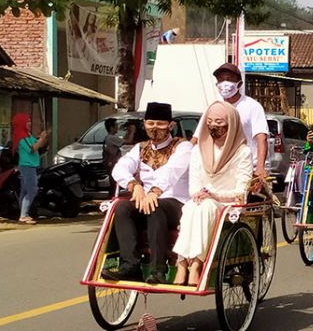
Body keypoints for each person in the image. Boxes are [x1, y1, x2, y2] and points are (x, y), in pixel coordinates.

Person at [105, 102, 192, 284]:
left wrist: (154, 191)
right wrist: (134, 184)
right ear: (144, 124)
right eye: (151, 123)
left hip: (177, 202)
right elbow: (120, 168)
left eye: (160, 124)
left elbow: (173, 171)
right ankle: (130, 265)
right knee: (122, 207)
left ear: (170, 126)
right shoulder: (140, 148)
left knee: (155, 205)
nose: (155, 128)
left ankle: (158, 269)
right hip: (147, 201)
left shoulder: (183, 146)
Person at [173, 102, 253, 286]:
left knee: (205, 206)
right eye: (209, 121)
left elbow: (241, 191)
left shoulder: (243, 152)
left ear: (231, 124)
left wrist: (214, 195)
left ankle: (196, 264)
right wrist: (202, 194)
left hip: (228, 204)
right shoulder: (198, 151)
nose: (213, 126)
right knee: (191, 207)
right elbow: (193, 187)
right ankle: (182, 263)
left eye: (219, 121)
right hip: (201, 201)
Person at [193, 63, 268, 181]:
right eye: (220, 80)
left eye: (229, 79)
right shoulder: (213, 108)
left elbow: (261, 137)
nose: (224, 83)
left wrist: (260, 167)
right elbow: (197, 139)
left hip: (247, 168)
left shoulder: (252, 106)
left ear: (239, 83)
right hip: (220, 169)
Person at [14, 113, 50, 225]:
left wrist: (44, 136)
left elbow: (39, 144)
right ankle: (23, 215)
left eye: (30, 121)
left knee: (24, 191)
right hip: (27, 166)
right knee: (32, 190)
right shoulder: (20, 137)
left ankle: (23, 214)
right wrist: (41, 139)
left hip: (31, 165)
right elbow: (33, 149)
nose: (29, 123)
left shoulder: (28, 135)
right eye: (27, 121)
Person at [102, 118, 122, 196]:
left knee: (113, 183)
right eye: (116, 125)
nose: (118, 127)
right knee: (114, 183)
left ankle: (112, 197)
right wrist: (132, 131)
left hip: (110, 163)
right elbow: (128, 140)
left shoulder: (108, 137)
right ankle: (112, 199)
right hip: (112, 163)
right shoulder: (112, 138)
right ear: (111, 127)